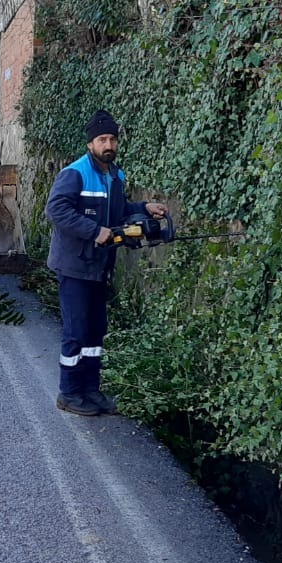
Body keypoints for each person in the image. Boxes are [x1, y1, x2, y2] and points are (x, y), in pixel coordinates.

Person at [44, 109, 168, 416]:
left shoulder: (116, 175)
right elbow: (56, 211)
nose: (108, 144)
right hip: (74, 265)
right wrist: (94, 231)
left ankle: (90, 389)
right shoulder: (75, 173)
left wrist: (143, 207)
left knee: (96, 331)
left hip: (100, 266)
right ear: (90, 144)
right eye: (102, 139)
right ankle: (69, 393)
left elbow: (118, 209)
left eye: (112, 138)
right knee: (76, 330)